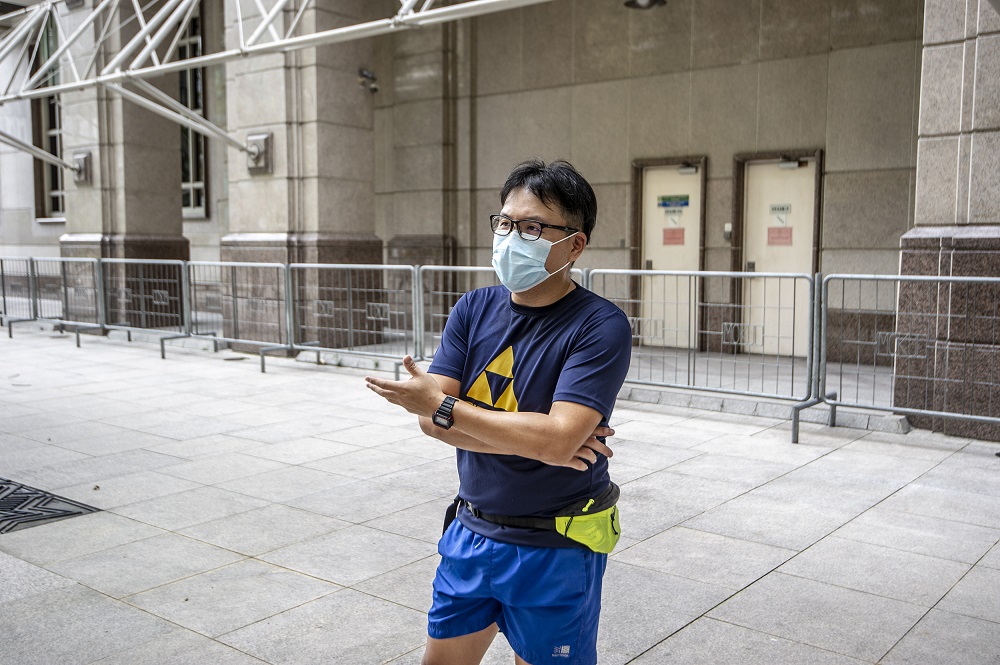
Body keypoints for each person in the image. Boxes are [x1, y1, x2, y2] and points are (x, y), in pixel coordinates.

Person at [365, 159, 632, 665]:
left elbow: (550, 437)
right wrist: (538, 438)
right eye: (506, 223)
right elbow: (433, 423)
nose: (512, 236)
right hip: (470, 528)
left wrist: (447, 408)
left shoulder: (600, 325)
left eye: (532, 227)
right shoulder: (473, 308)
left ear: (574, 244)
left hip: (555, 543)